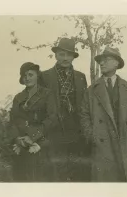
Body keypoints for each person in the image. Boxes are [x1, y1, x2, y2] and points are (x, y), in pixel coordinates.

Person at [79, 46, 127, 182]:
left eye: (106, 59)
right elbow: (84, 116)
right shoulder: (92, 90)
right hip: (103, 147)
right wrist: (92, 136)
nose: (102, 63)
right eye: (101, 61)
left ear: (116, 63)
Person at [41, 38, 91, 182]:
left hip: (75, 130)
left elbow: (84, 105)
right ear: (56, 55)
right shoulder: (45, 77)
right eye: (62, 54)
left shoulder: (80, 77)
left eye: (69, 55)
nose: (65, 58)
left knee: (76, 170)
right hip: (55, 131)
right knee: (57, 171)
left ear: (73, 57)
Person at [8, 62, 58, 182]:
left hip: (42, 144)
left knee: (41, 181)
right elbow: (13, 121)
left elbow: (52, 119)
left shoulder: (47, 94)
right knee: (22, 181)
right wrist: (17, 139)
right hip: (21, 146)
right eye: (24, 75)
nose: (27, 78)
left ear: (37, 76)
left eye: (30, 74)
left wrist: (32, 136)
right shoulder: (18, 98)